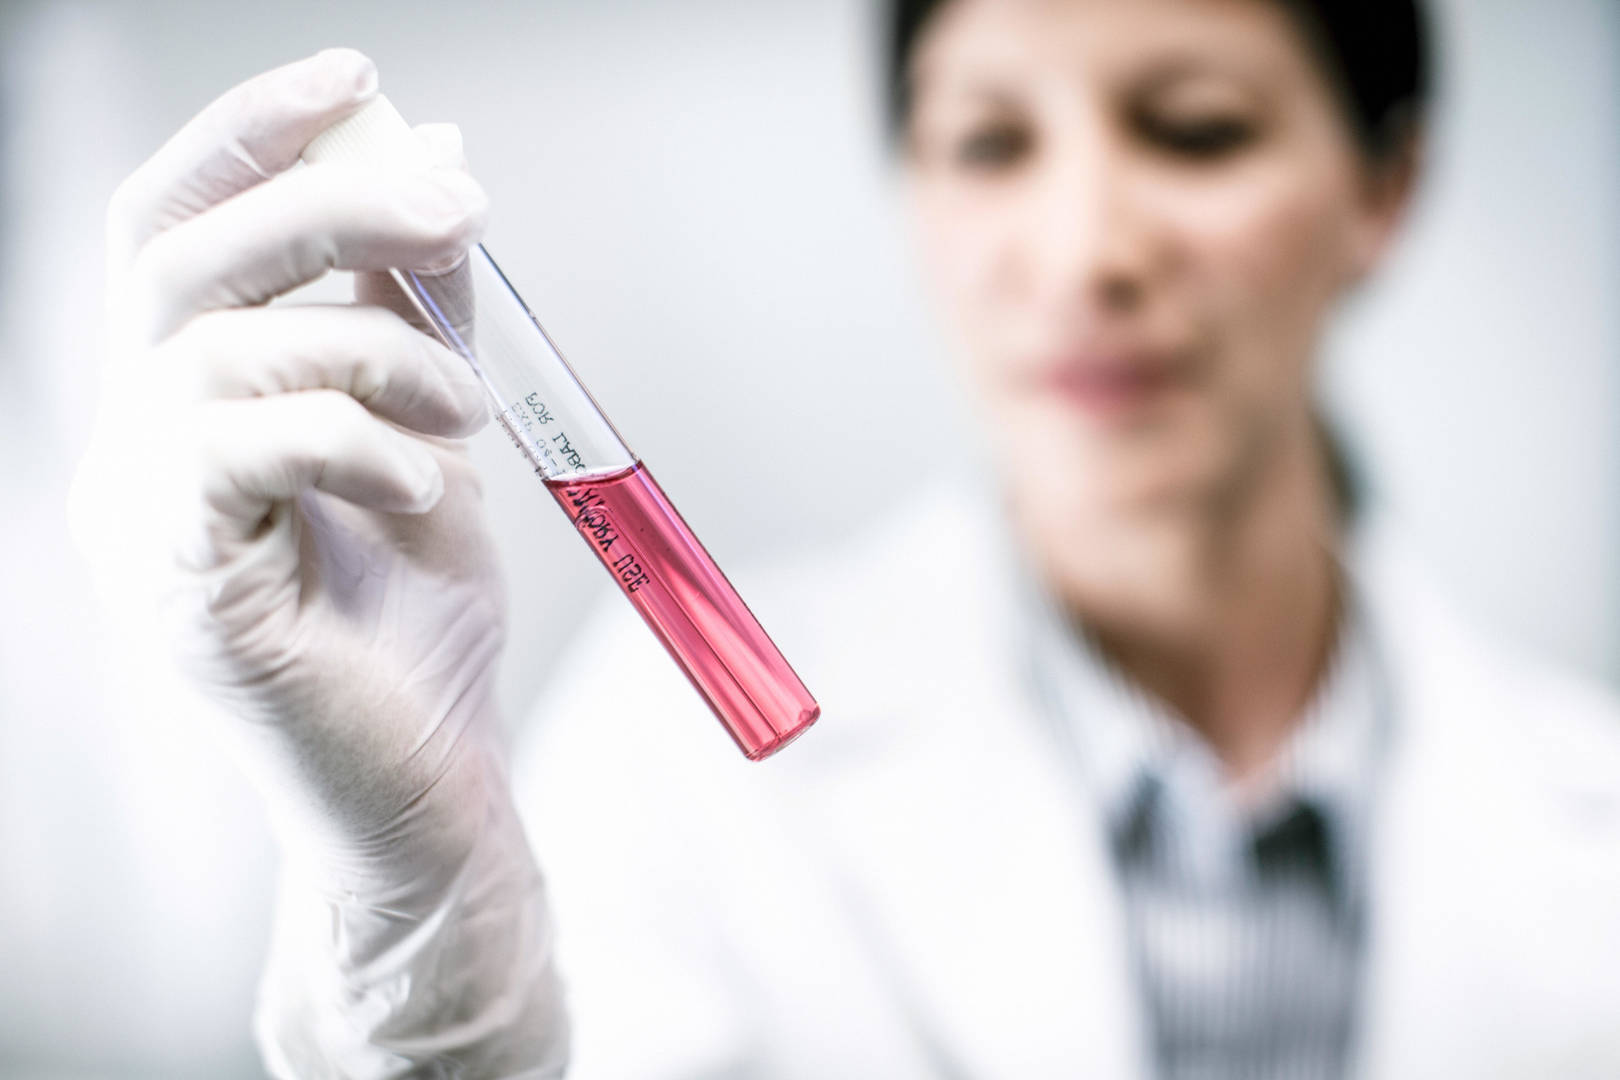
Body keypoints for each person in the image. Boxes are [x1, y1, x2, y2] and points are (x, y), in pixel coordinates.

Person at [67, 1, 1620, 1077]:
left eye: (1196, 132)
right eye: (991, 144)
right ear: (913, 194)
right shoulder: (679, 751)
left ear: (1384, 188)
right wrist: (406, 897)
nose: (1086, 250)